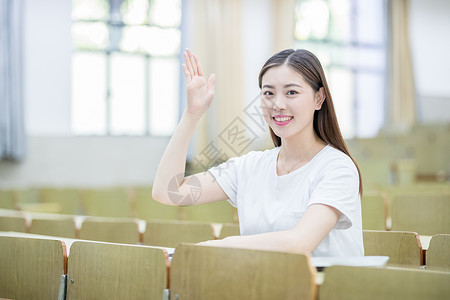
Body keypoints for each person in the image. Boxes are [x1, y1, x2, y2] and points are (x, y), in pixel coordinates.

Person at [152, 48, 364, 257]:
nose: (278, 104)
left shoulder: (338, 168)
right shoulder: (249, 166)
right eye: (269, 93)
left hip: (323, 289)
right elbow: (168, 192)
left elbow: (300, 242)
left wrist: (222, 245)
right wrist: (192, 114)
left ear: (319, 98)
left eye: (291, 92)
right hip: (261, 286)